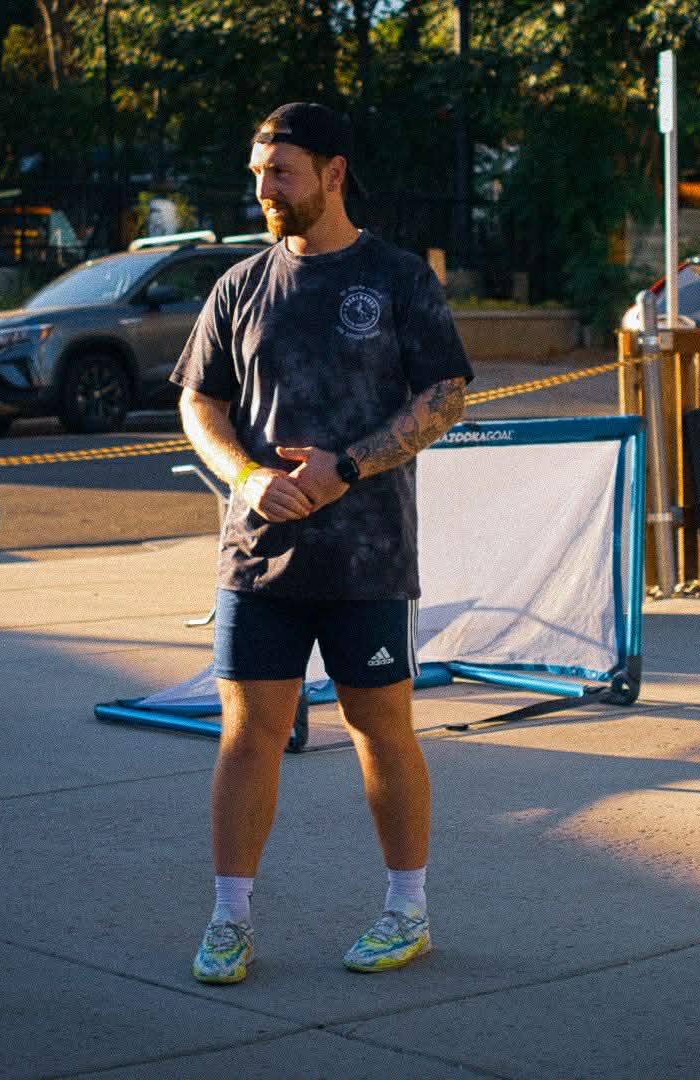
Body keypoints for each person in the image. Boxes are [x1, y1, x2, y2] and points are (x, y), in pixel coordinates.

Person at [170, 102, 473, 984]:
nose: (264, 189)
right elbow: (198, 400)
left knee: (381, 730)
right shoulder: (239, 286)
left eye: (281, 172)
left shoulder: (398, 278)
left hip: (367, 558)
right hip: (257, 558)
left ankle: (407, 911)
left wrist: (349, 466)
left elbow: (446, 395)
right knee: (247, 736)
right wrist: (245, 476)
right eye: (258, 173)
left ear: (333, 174)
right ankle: (229, 921)